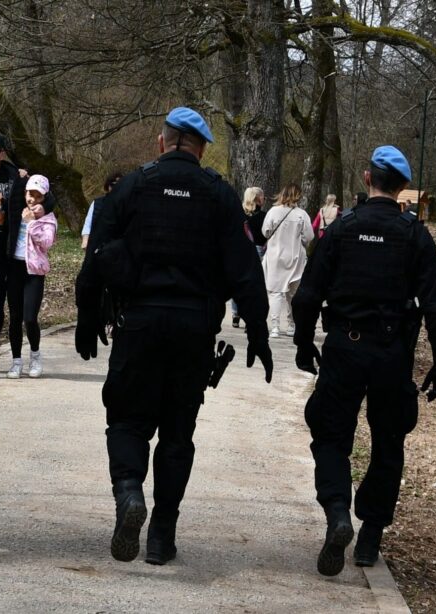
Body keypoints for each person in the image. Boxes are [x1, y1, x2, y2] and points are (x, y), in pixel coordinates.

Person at [75, 106, 273, 566]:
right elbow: (245, 270)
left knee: (126, 421)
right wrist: (259, 333)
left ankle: (128, 494)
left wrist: (88, 316)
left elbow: (96, 257)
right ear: (201, 148)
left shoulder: (132, 185)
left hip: (139, 323)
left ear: (161, 142)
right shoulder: (219, 195)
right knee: (177, 434)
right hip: (194, 329)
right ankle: (162, 534)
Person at [291, 145, 436, 577]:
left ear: (367, 178)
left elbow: (308, 295)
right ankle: (369, 537)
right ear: (402, 189)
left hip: (345, 346)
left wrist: (304, 343)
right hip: (392, 354)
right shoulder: (414, 234)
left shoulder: (343, 229)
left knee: (330, 436)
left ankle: (338, 512)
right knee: (388, 443)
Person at [6, 174, 57, 378]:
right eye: (29, 193)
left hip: (34, 272)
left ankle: (35, 356)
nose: (31, 198)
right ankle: (16, 361)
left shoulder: (47, 218)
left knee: (29, 318)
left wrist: (31, 223)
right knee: (15, 317)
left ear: (44, 197)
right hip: (14, 268)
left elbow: (46, 243)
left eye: (37, 195)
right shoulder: (17, 210)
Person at [261, 184, 314, 338]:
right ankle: (292, 325)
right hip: (295, 257)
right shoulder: (301, 214)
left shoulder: (273, 212)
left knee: (275, 293)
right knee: (294, 294)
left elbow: (265, 232)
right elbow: (309, 236)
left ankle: (275, 327)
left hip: (275, 257)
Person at [232, 186, 267, 328]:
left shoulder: (238, 213)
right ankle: (250, 314)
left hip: (239, 249)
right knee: (253, 284)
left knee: (237, 282)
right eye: (263, 197)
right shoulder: (263, 216)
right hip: (257, 250)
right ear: (258, 199)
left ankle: (236, 313)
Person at [81, 171, 123, 249]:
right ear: (108, 186)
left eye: (119, 185)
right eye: (113, 185)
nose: (116, 188)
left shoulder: (128, 204)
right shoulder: (97, 203)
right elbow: (88, 224)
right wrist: (85, 241)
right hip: (98, 247)